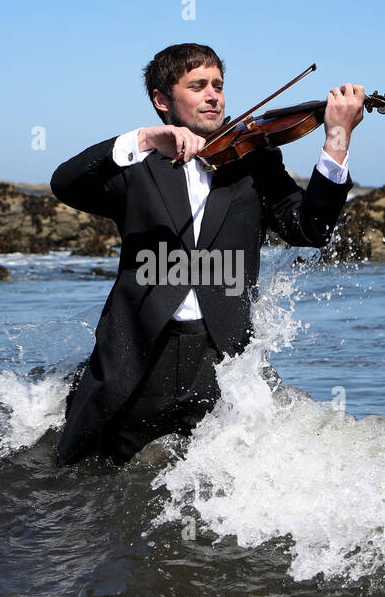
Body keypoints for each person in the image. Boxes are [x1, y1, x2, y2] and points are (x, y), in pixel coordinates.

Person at [51, 43, 364, 466]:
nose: (213, 95)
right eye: (197, 86)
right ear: (162, 100)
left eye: (218, 85)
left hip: (220, 360)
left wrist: (336, 137)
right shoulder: (135, 166)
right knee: (85, 478)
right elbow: (66, 183)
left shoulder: (254, 159)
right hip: (136, 357)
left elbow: (310, 229)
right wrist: (144, 138)